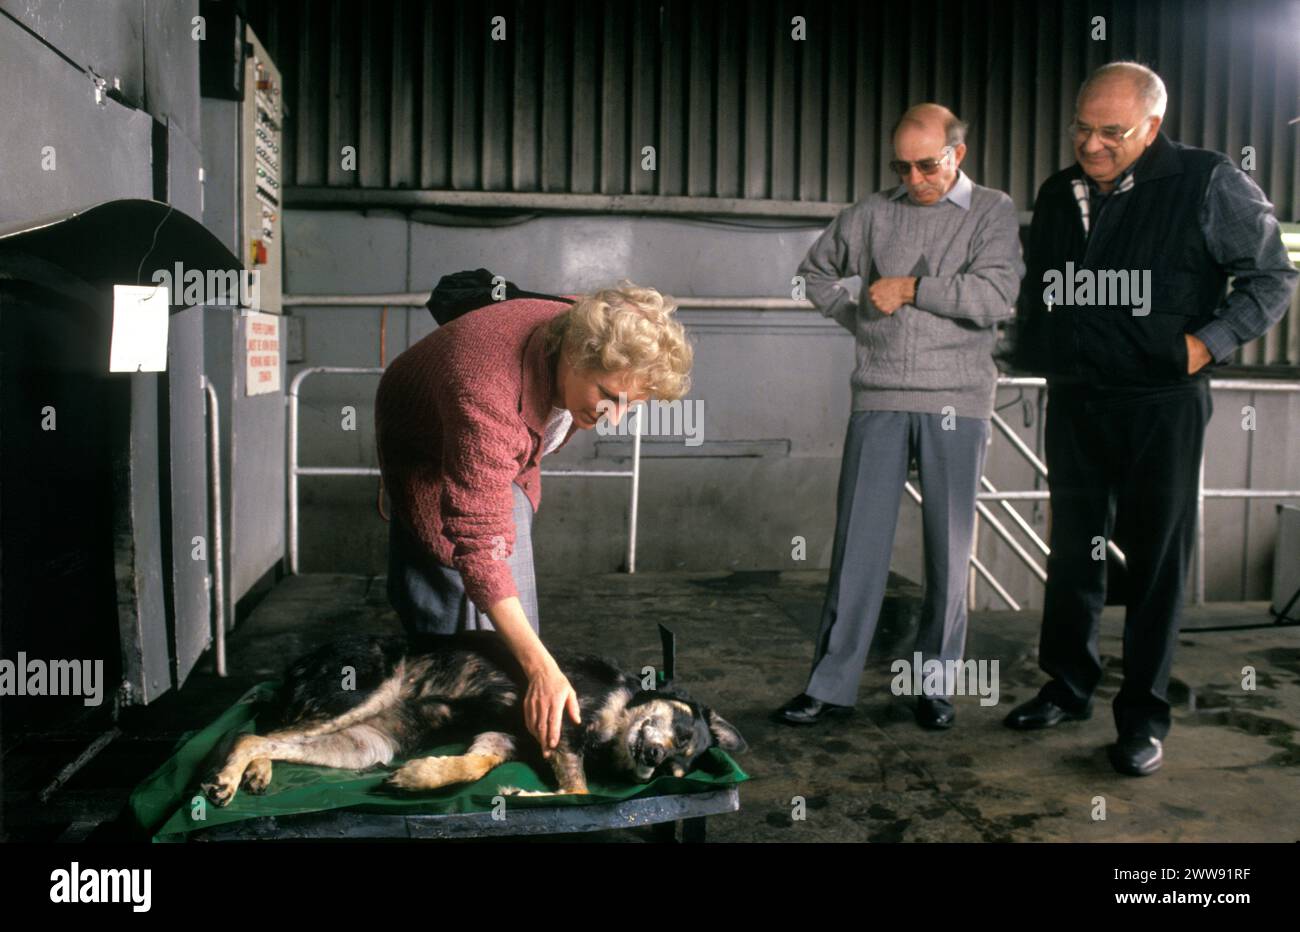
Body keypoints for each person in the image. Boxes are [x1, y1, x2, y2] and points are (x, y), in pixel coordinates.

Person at [1005, 62, 1298, 775]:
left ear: (1153, 127)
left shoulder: (1208, 180)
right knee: (1075, 550)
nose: (1092, 144)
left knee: (1157, 562)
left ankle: (1142, 716)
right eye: (1082, 127)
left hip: (1161, 402)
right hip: (1077, 397)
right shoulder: (1057, 191)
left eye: (1113, 132)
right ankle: (1068, 685)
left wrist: (1206, 343)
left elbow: (1272, 276)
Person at [776, 103, 1024, 730]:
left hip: (957, 400)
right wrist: (859, 314)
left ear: (958, 154)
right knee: (858, 548)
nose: (914, 180)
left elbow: (997, 296)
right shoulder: (870, 214)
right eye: (902, 167)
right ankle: (829, 685)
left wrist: (911, 289)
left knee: (949, 550)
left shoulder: (992, 211)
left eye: (928, 165)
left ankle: (934, 687)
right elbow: (812, 277)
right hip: (880, 394)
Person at [375, 283, 693, 757]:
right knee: (448, 607)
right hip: (426, 449)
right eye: (608, 396)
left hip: (499, 446)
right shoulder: (486, 390)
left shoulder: (588, 326)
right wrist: (542, 668)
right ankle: (433, 747)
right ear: (572, 352)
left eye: (630, 404)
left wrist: (536, 663)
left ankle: (506, 730)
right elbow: (478, 545)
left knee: (517, 625)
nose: (614, 416)